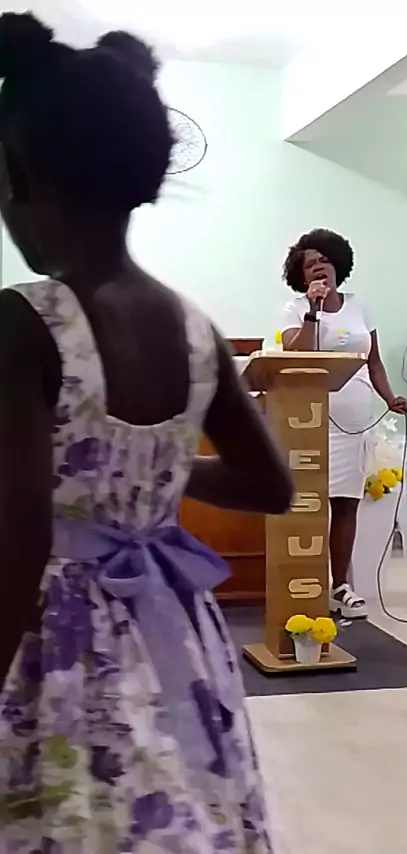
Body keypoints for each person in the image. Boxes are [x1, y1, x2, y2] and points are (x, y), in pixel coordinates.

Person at [0, 13, 293, 853]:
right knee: (177, 812)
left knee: (68, 818)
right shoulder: (195, 327)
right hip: (176, 640)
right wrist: (150, 475)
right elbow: (272, 486)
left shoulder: (25, 322)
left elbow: (19, 543)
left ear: (18, 170)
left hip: (55, 646)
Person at [281, 229, 407, 619]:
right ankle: (305, 585)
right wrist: (312, 311)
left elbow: (374, 362)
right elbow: (295, 354)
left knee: (345, 504)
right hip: (310, 420)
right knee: (309, 505)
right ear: (302, 276)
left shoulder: (359, 307)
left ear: (338, 264)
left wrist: (389, 398)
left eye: (324, 260)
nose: (319, 267)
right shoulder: (295, 309)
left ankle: (341, 587)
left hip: (354, 420)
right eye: (310, 264)